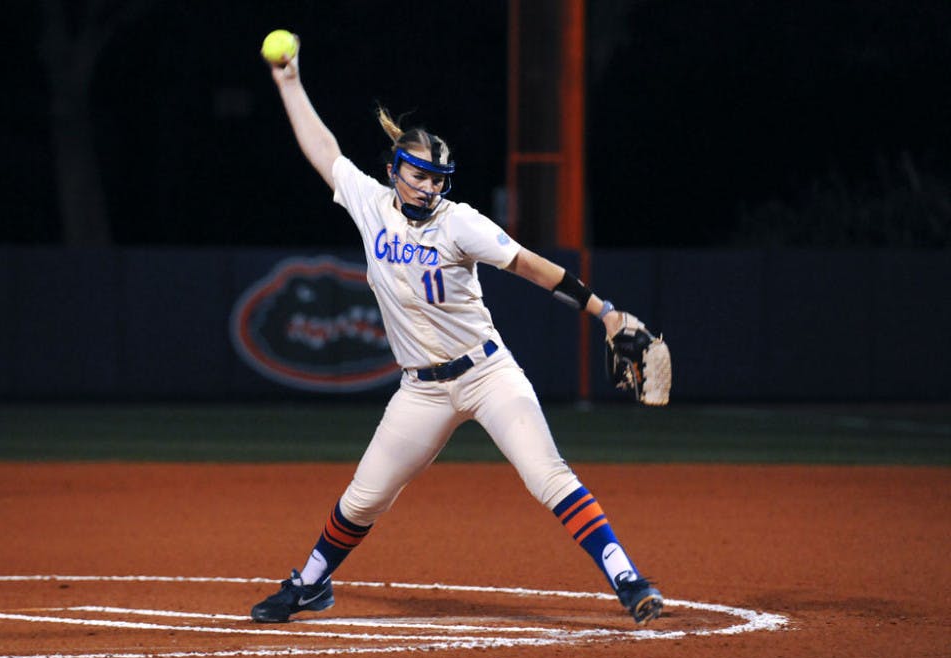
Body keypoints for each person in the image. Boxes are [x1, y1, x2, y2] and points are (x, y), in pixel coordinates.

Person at [251, 35, 663, 626]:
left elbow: (527, 264)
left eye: (438, 178)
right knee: (364, 498)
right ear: (395, 171)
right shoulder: (370, 204)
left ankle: (628, 578)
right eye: (418, 175)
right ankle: (310, 584)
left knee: (548, 475)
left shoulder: (459, 221)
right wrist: (289, 82)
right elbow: (323, 149)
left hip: (487, 371)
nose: (429, 187)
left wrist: (605, 311)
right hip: (421, 389)